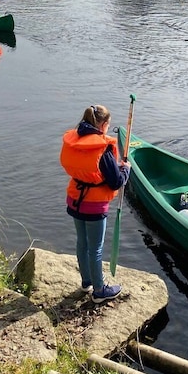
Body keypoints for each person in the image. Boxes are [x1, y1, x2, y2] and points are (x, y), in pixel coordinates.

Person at [60, 105, 130, 304]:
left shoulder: (76, 140)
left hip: (75, 201)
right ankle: (99, 290)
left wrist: (115, 169)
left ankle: (86, 282)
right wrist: (126, 170)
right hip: (93, 205)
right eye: (108, 124)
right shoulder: (102, 147)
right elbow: (115, 181)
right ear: (103, 124)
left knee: (82, 243)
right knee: (96, 248)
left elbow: (93, 168)